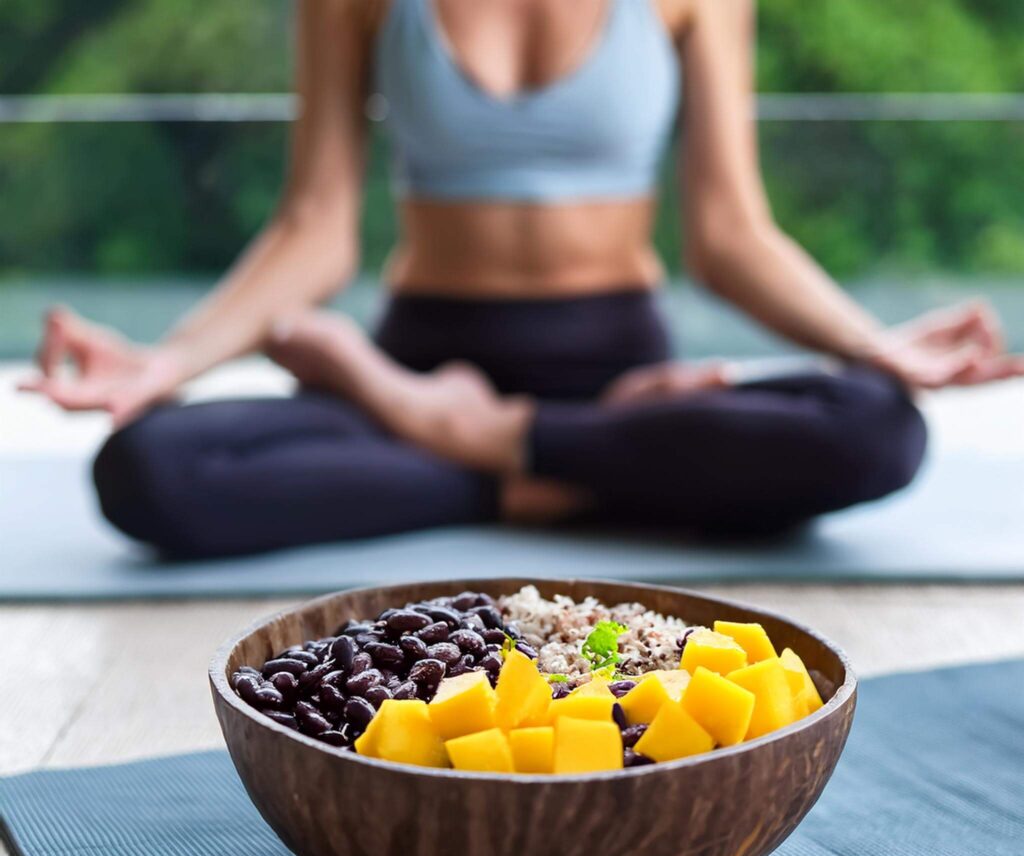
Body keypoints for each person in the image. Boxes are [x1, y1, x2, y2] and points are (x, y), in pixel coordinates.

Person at [21, 0, 1023, 558]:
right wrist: (168, 361)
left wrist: (870, 342)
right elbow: (313, 227)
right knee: (147, 467)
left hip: (609, 383)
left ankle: (488, 447)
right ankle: (577, 472)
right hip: (424, 367)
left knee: (877, 424)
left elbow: (730, 234)